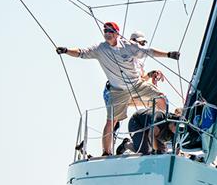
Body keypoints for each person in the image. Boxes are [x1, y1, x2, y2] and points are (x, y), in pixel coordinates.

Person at [56, 21, 180, 155]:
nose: (107, 33)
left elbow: (148, 52)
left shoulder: (128, 46)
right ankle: (106, 152)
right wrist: (66, 51)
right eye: (105, 31)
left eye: (110, 31)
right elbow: (82, 53)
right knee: (111, 121)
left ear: (117, 33)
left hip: (136, 84)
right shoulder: (100, 49)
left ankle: (161, 133)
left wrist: (168, 54)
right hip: (118, 90)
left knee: (161, 98)